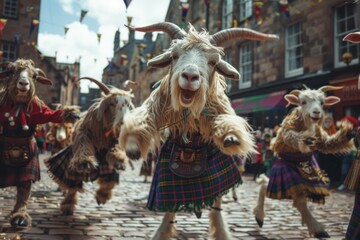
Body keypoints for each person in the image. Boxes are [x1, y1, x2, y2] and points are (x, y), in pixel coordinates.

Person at [316, 114, 342, 186]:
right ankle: (324, 181)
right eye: (326, 121)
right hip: (322, 153)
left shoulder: (334, 129)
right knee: (323, 167)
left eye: (329, 121)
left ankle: (331, 180)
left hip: (332, 153)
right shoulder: (320, 130)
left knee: (332, 167)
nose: (328, 123)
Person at [338, 116, 358, 191]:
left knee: (355, 171)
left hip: (355, 154)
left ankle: (353, 186)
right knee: (344, 170)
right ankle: (343, 184)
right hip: (346, 154)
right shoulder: (342, 131)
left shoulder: (356, 131)